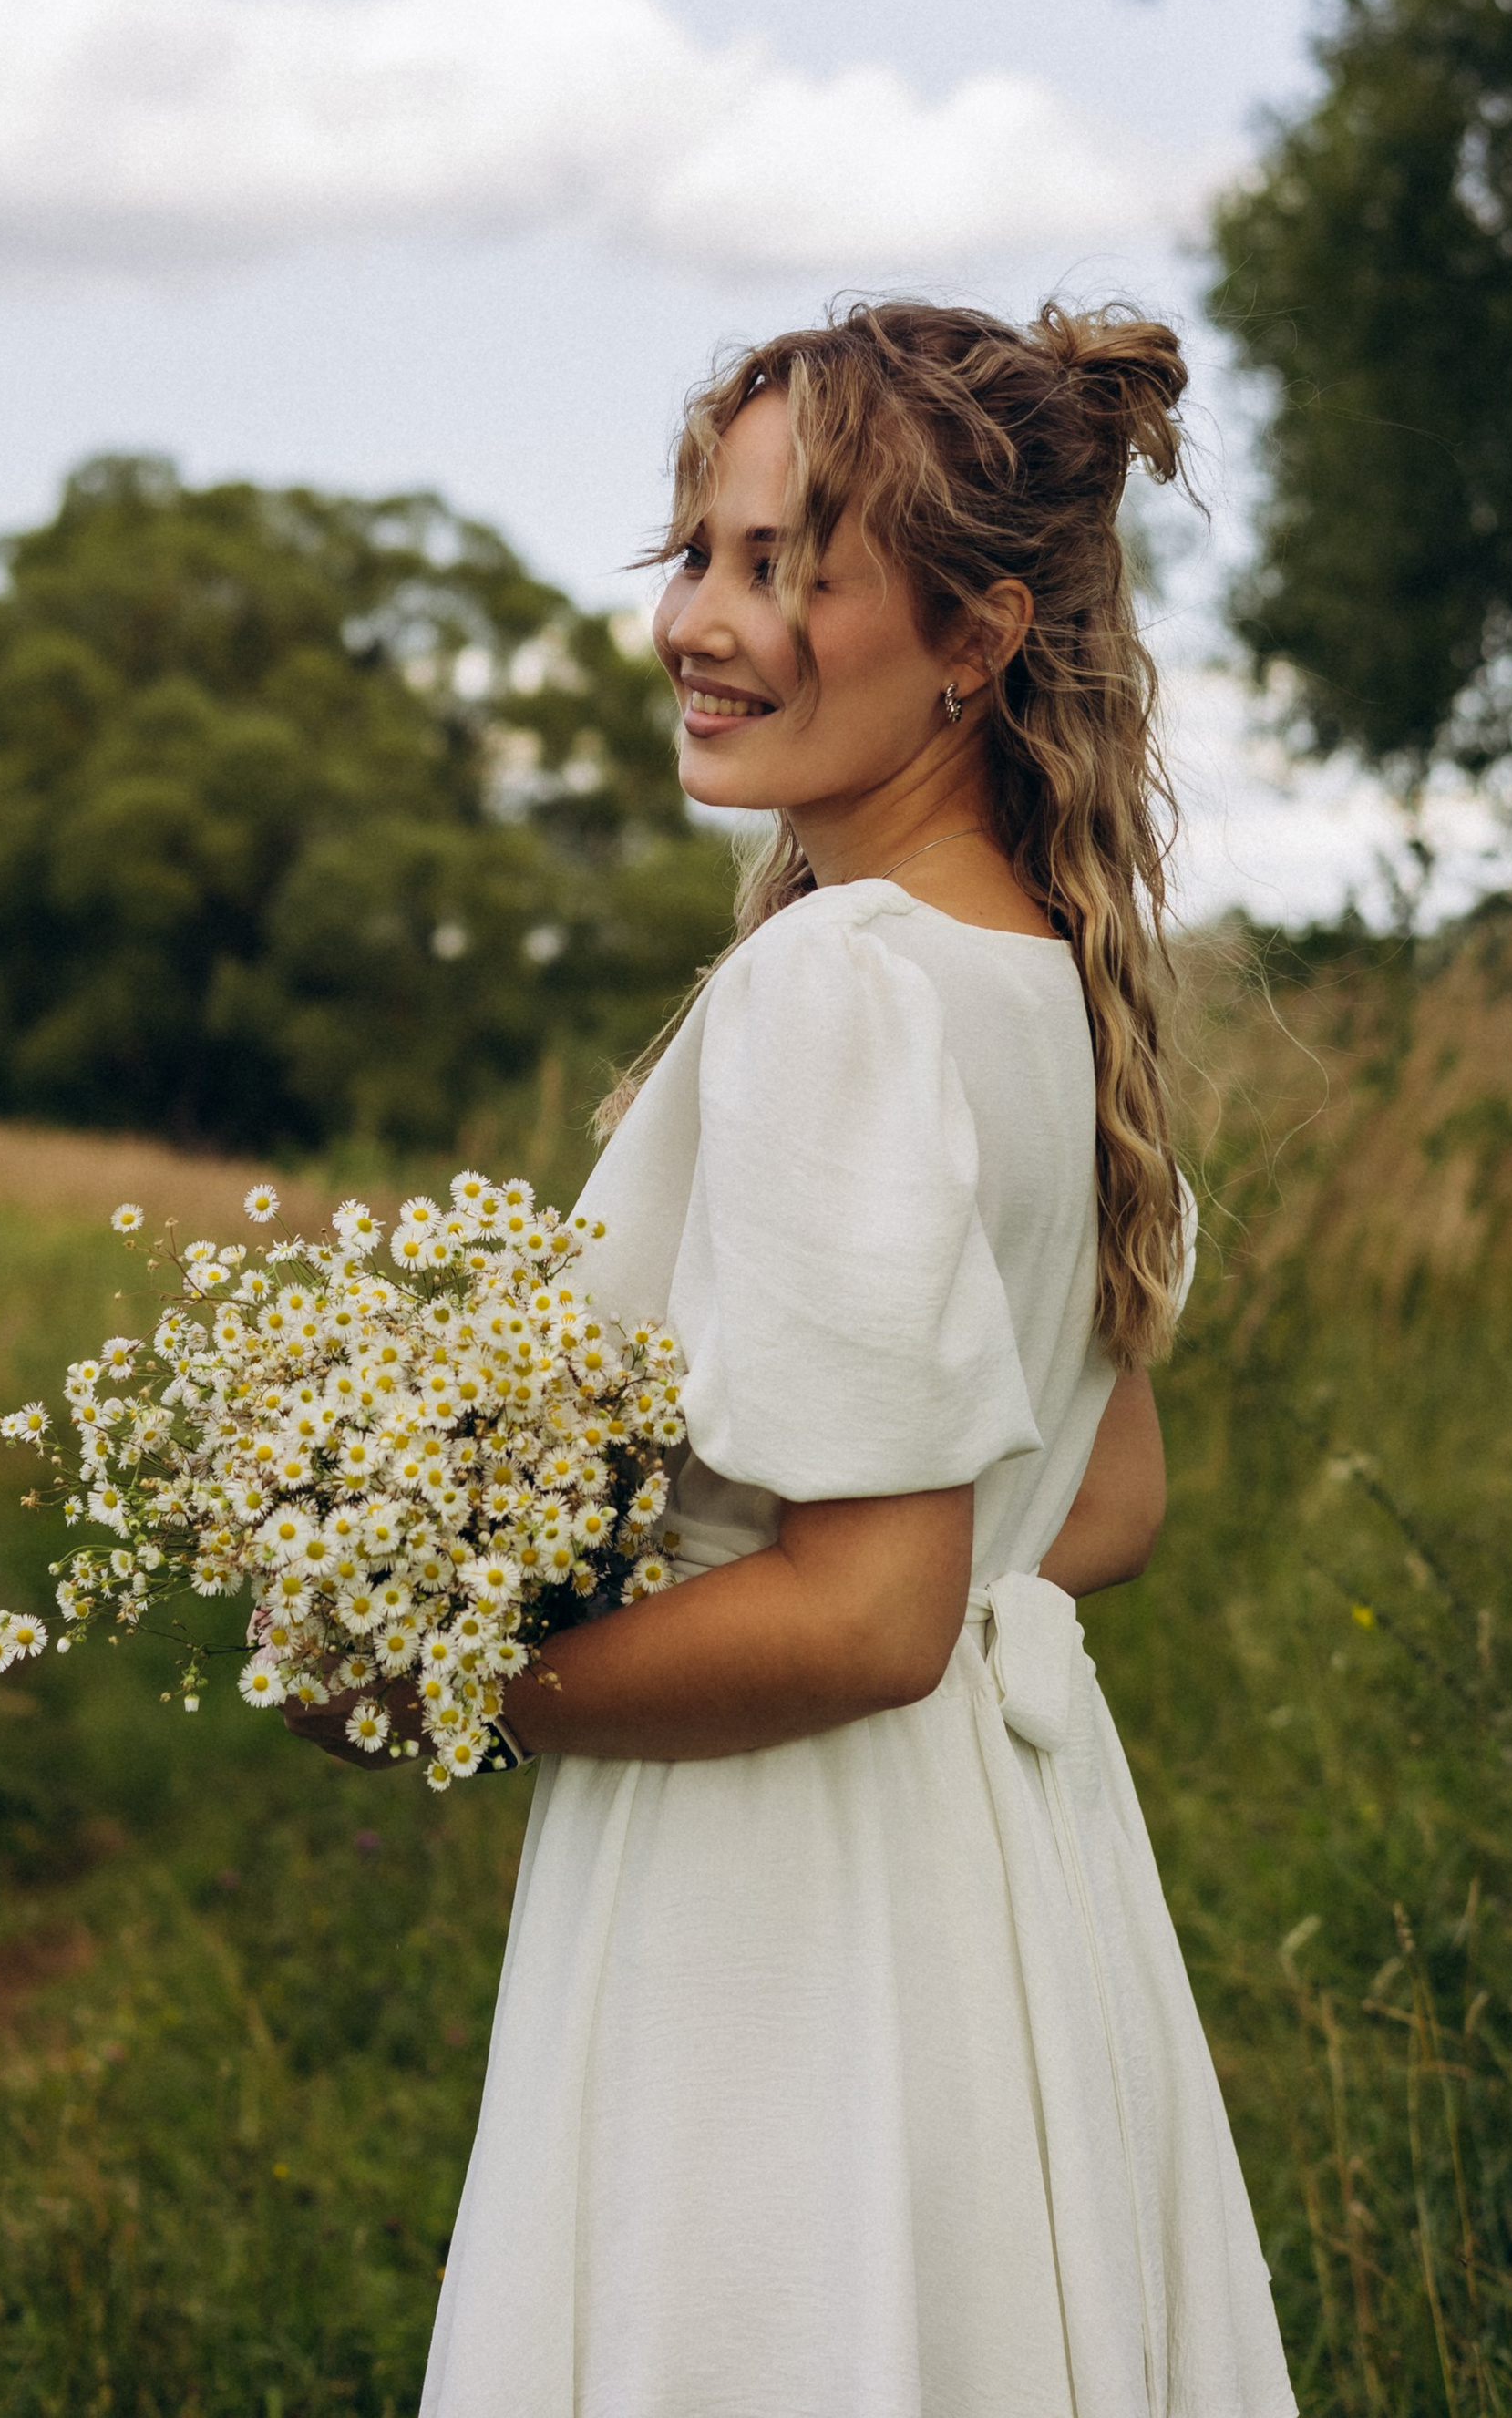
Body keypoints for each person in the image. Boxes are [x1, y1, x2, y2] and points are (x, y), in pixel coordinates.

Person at [292, 296, 1294, 2418]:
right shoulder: (1052, 985)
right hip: (1014, 1887)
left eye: (780, 565)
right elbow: (1095, 1509)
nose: (696, 620)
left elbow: (866, 1612)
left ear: (973, 631)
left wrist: (445, 1680)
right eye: (692, 550)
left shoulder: (833, 988)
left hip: (794, 1912)